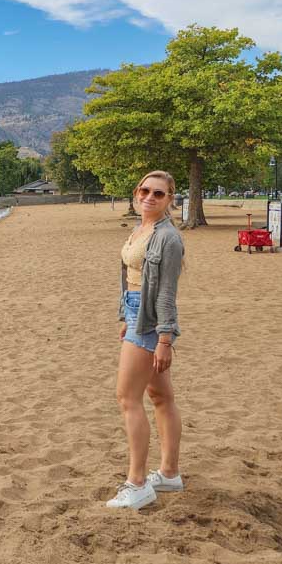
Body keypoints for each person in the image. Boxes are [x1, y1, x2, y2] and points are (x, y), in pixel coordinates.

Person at [106, 170, 186, 510]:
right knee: (160, 396)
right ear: (137, 193)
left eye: (158, 194)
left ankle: (137, 483)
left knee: (128, 398)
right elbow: (131, 278)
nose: (149, 198)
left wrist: (165, 338)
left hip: (151, 319)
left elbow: (167, 292)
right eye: (144, 191)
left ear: (170, 200)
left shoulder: (168, 238)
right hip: (136, 313)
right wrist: (125, 316)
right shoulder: (141, 228)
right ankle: (169, 474)